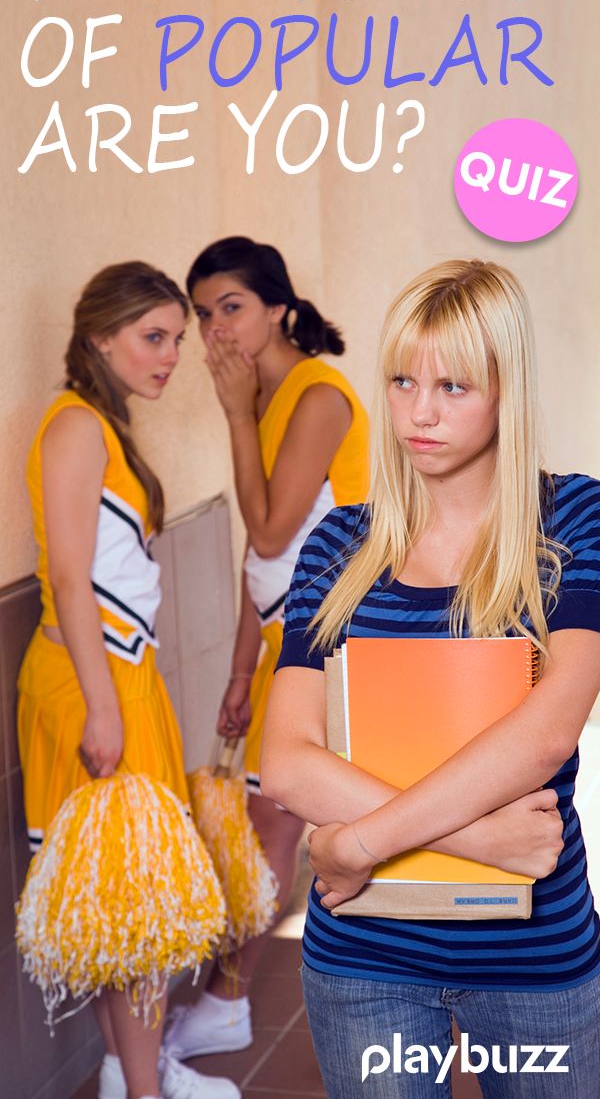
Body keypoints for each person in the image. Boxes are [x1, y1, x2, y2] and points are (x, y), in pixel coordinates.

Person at [261, 259, 600, 1098]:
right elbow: (287, 760)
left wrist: (353, 842)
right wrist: (478, 838)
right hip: (364, 956)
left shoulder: (573, 516)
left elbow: (550, 730)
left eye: (454, 386)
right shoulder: (340, 543)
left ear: (504, 390)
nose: (418, 412)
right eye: (403, 379)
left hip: (534, 955)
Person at [17, 263, 240, 1099]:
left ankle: (128, 1070)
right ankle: (147, 1091)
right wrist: (105, 706)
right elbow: (69, 579)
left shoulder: (103, 426)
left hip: (120, 675)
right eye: (154, 337)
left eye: (176, 339)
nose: (170, 355)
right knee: (131, 908)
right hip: (91, 682)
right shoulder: (77, 427)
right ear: (100, 336)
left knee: (128, 900)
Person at [164, 236, 370, 1059]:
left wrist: (235, 413)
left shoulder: (316, 394)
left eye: (233, 308)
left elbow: (270, 525)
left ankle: (228, 995)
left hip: (328, 644)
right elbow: (269, 561)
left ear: (280, 307)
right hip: (290, 635)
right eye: (204, 314)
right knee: (272, 828)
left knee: (271, 831)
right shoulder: (271, 395)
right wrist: (242, 665)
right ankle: (228, 995)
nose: (216, 331)